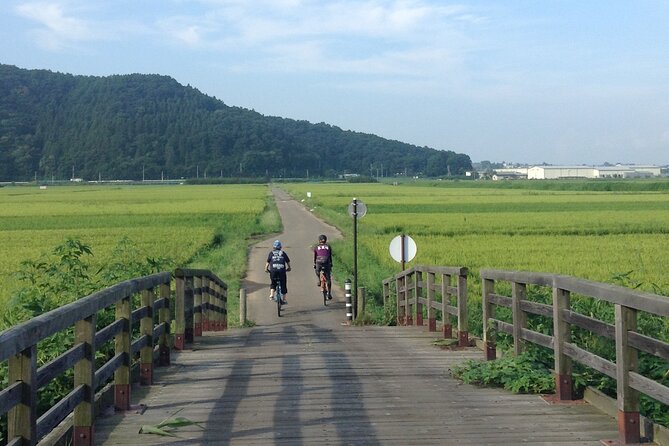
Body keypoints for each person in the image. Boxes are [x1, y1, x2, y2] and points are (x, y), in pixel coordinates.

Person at [265, 240, 291, 304]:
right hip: (282, 271)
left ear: (273, 247)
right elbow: (288, 261)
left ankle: (271, 295)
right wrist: (289, 268)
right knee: (283, 284)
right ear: (280, 247)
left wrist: (266, 269)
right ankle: (284, 299)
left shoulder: (271, 253)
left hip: (273, 271)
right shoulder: (283, 253)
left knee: (273, 283)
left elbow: (268, 262)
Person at [313, 234, 333, 300]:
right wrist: (331, 263)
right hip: (326, 262)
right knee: (328, 279)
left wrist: (314, 264)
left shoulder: (316, 247)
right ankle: (329, 293)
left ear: (319, 240)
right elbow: (330, 256)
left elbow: (315, 256)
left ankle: (318, 279)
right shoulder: (328, 246)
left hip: (319, 261)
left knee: (317, 270)